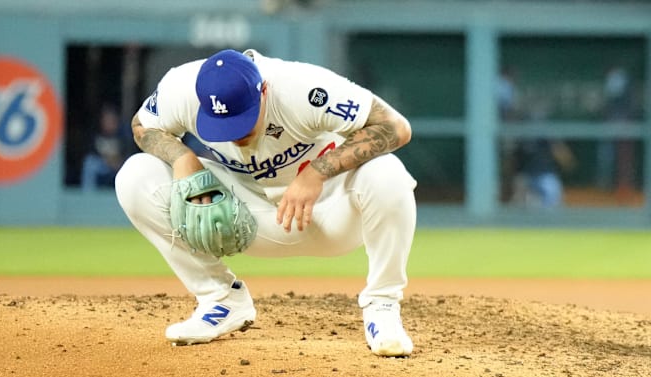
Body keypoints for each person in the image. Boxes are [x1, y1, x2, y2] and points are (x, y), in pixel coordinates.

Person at [115, 49, 417, 357]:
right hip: (245, 213)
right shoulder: (182, 87)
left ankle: (382, 305)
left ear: (263, 90)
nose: (235, 135)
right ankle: (220, 299)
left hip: (331, 211)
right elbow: (142, 124)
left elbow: (395, 127)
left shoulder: (303, 87)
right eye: (223, 124)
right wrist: (182, 157)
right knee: (135, 176)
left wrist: (318, 171)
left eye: (242, 120)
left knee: (388, 173)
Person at [80, 103, 128, 191]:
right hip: (103, 165)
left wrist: (117, 161)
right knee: (90, 163)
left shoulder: (123, 136)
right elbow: (92, 153)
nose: (109, 123)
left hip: (118, 166)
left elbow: (127, 155)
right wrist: (107, 160)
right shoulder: (96, 135)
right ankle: (88, 196)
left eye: (112, 121)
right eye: (106, 120)